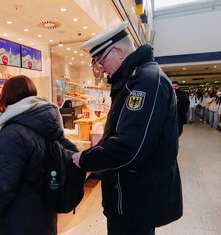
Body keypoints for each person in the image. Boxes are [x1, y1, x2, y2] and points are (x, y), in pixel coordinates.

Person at [74, 21, 183, 234]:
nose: (101, 68)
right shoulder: (133, 79)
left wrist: (85, 159)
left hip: (137, 200)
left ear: (119, 51)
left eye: (101, 60)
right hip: (129, 196)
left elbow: (129, 148)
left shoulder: (146, 82)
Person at [0, 75, 59, 234]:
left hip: (19, 217)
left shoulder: (13, 132)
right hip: (43, 210)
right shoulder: (47, 121)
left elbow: (4, 182)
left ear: (8, 96)